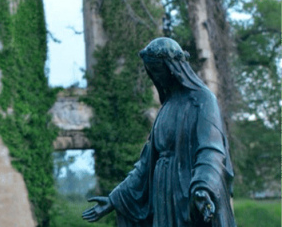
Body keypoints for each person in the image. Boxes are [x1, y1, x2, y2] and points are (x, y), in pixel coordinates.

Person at [82, 37, 236, 227]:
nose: (155, 76)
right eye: (151, 71)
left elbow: (211, 150)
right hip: (162, 194)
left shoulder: (202, 100)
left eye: (158, 70)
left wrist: (204, 187)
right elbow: (146, 164)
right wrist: (114, 199)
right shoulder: (167, 107)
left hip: (187, 193)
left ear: (173, 68)